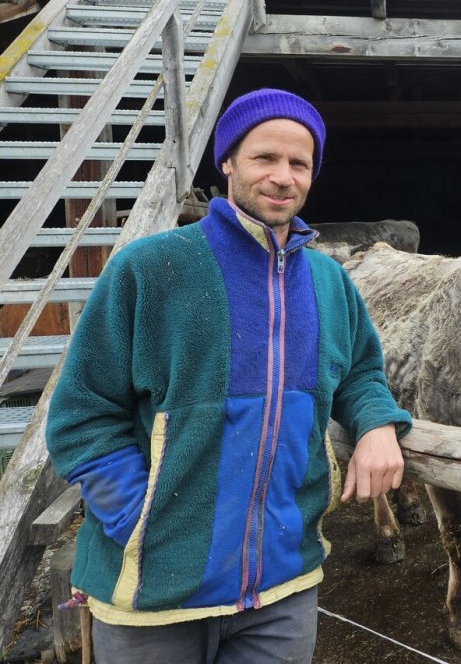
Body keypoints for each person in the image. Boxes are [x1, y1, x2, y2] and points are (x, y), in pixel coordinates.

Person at [46, 88, 412, 663]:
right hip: (153, 595)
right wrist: (140, 520)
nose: (283, 177)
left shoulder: (328, 282)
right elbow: (82, 414)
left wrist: (375, 426)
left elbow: (362, 373)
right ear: (227, 163)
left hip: (283, 589)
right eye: (265, 158)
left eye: (300, 163)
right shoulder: (151, 269)